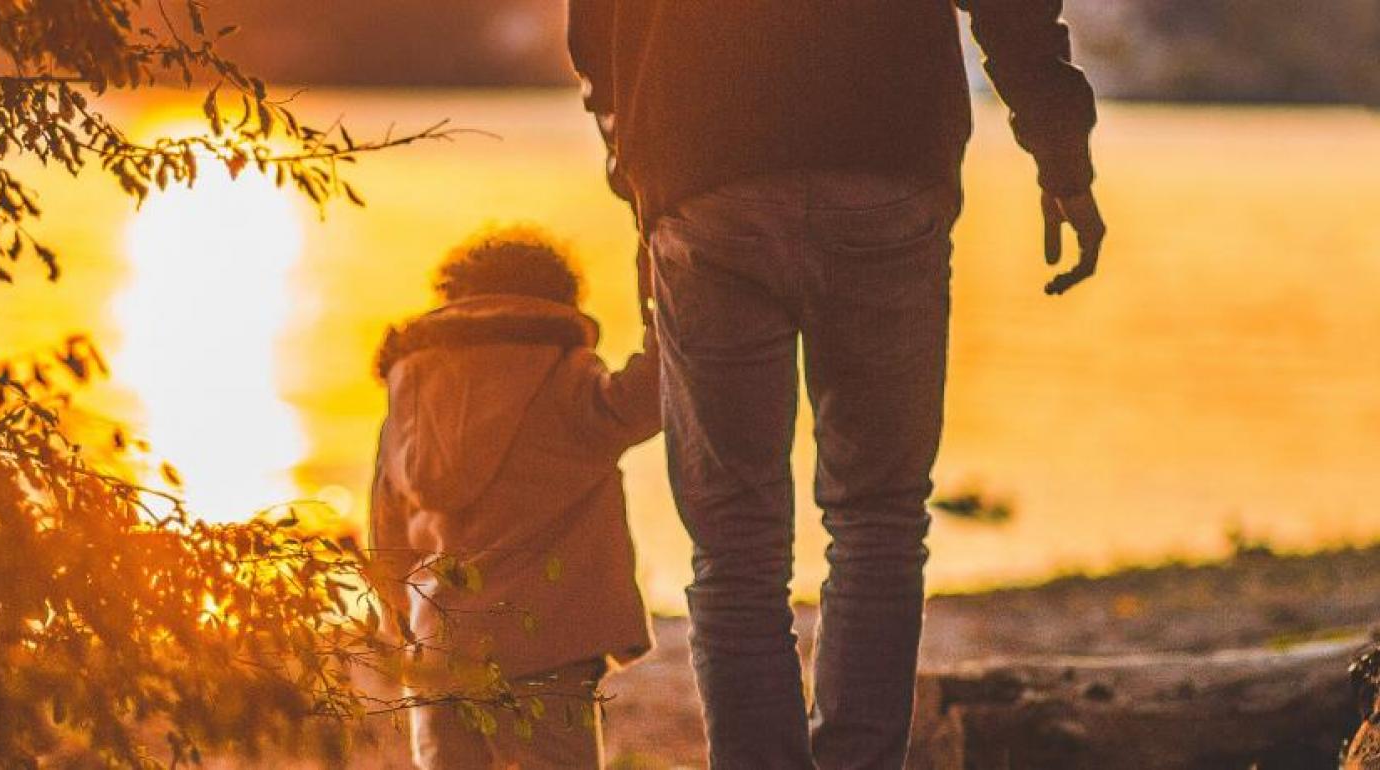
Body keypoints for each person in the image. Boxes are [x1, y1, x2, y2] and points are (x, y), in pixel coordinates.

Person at [566, 1, 1109, 768]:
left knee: (734, 544)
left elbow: (595, 34)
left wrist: (642, 173)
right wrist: (1061, 157)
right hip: (882, 162)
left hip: (704, 177)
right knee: (879, 520)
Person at [367, 227, 662, 769]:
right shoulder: (565, 379)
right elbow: (657, 389)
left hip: (440, 650)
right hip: (547, 646)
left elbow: (387, 532)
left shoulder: (411, 392)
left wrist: (401, 631)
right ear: (557, 301)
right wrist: (662, 288)